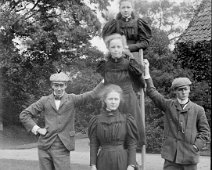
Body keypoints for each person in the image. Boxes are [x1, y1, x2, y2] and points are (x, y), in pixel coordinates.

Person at [19, 72, 103, 170]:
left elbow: (92, 94)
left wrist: (105, 80)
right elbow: (24, 115)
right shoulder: (44, 100)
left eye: (61, 85)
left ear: (66, 85)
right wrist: (37, 129)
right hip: (44, 146)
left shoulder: (72, 99)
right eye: (56, 85)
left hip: (63, 146)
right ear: (52, 85)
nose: (59, 88)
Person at [143, 59, 210, 170]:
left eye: (186, 89)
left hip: (190, 158)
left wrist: (196, 146)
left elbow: (205, 132)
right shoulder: (168, 105)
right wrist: (146, 71)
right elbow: (152, 92)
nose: (183, 92)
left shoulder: (198, 110)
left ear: (189, 90)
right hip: (171, 158)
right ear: (175, 91)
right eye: (180, 90)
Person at [97, 33, 145, 147]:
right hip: (111, 101)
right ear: (109, 49)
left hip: (128, 100)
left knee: (130, 129)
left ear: (123, 48)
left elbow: (140, 82)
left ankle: (132, 161)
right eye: (113, 47)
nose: (116, 50)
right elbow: (104, 84)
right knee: (112, 131)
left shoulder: (130, 64)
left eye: (118, 47)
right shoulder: (105, 65)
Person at [88, 84, 138, 170]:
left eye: (116, 99)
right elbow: (94, 144)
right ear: (105, 100)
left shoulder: (127, 119)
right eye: (110, 99)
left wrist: (131, 165)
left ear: (120, 100)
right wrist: (93, 165)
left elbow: (132, 144)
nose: (113, 102)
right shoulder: (96, 120)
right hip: (103, 161)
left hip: (122, 160)